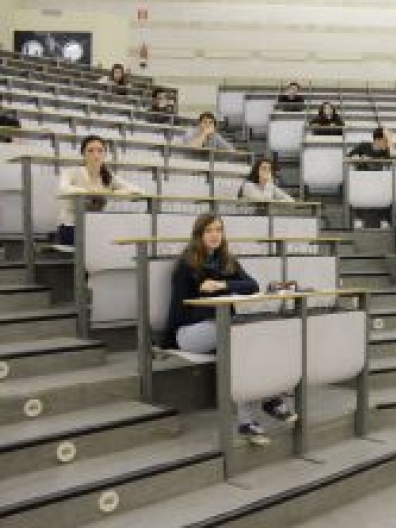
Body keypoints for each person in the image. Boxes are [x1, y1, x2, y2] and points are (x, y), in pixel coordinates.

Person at [166, 214, 298, 445]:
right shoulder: (187, 264)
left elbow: (252, 285)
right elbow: (179, 309)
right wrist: (206, 307)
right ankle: (267, 401)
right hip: (188, 333)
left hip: (223, 328)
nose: (215, 234)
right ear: (199, 234)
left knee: (245, 344)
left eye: (218, 229)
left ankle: (249, 420)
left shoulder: (227, 261)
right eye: (209, 230)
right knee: (241, 339)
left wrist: (223, 284)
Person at [55, 135, 145, 248]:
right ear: (83, 154)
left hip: (95, 227)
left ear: (105, 154)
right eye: (90, 151)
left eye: (100, 151)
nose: (95, 155)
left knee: (122, 238)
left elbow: (138, 190)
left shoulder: (107, 176)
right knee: (105, 244)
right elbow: (63, 188)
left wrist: (115, 193)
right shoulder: (71, 172)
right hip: (72, 227)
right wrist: (88, 191)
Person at [346, 127, 396, 229]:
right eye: (385, 141)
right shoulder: (364, 146)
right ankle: (357, 218)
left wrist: (390, 139)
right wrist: (358, 159)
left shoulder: (386, 152)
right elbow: (347, 157)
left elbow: (394, 158)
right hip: (361, 182)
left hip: (377, 184)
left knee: (388, 190)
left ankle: (384, 219)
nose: (387, 144)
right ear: (378, 140)